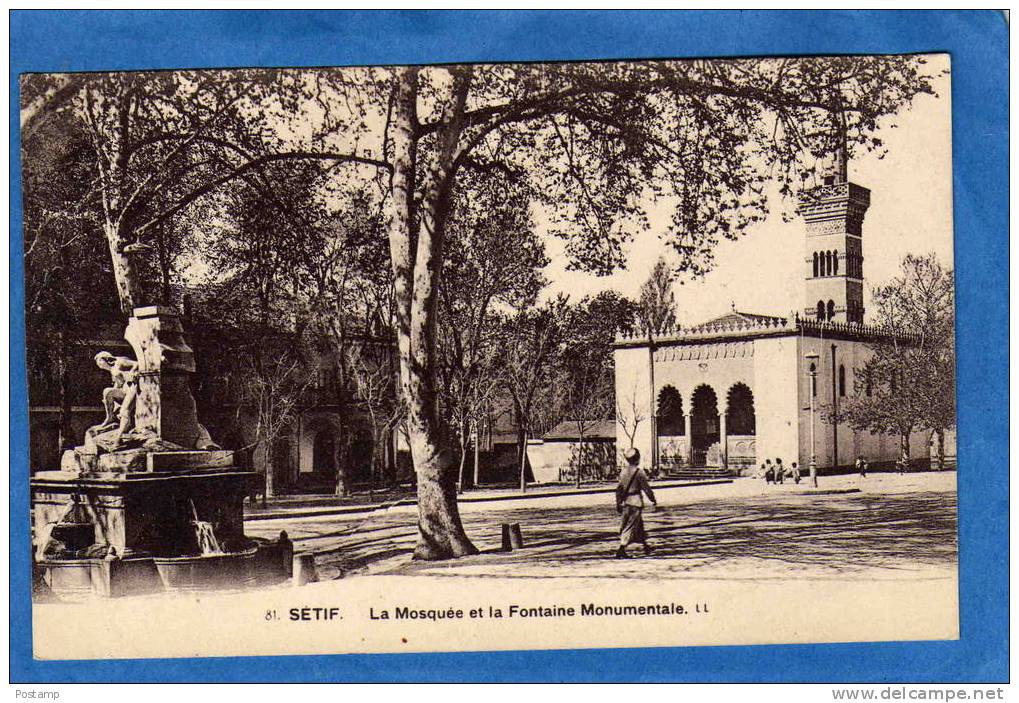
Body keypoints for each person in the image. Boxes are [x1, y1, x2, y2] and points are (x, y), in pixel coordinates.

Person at [615, 448, 657, 559]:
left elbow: (619, 489)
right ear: (637, 459)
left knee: (639, 526)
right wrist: (652, 499)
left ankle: (646, 546)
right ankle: (621, 549)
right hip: (635, 502)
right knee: (631, 526)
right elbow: (646, 488)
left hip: (626, 502)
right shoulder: (639, 473)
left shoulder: (623, 472)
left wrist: (618, 503)